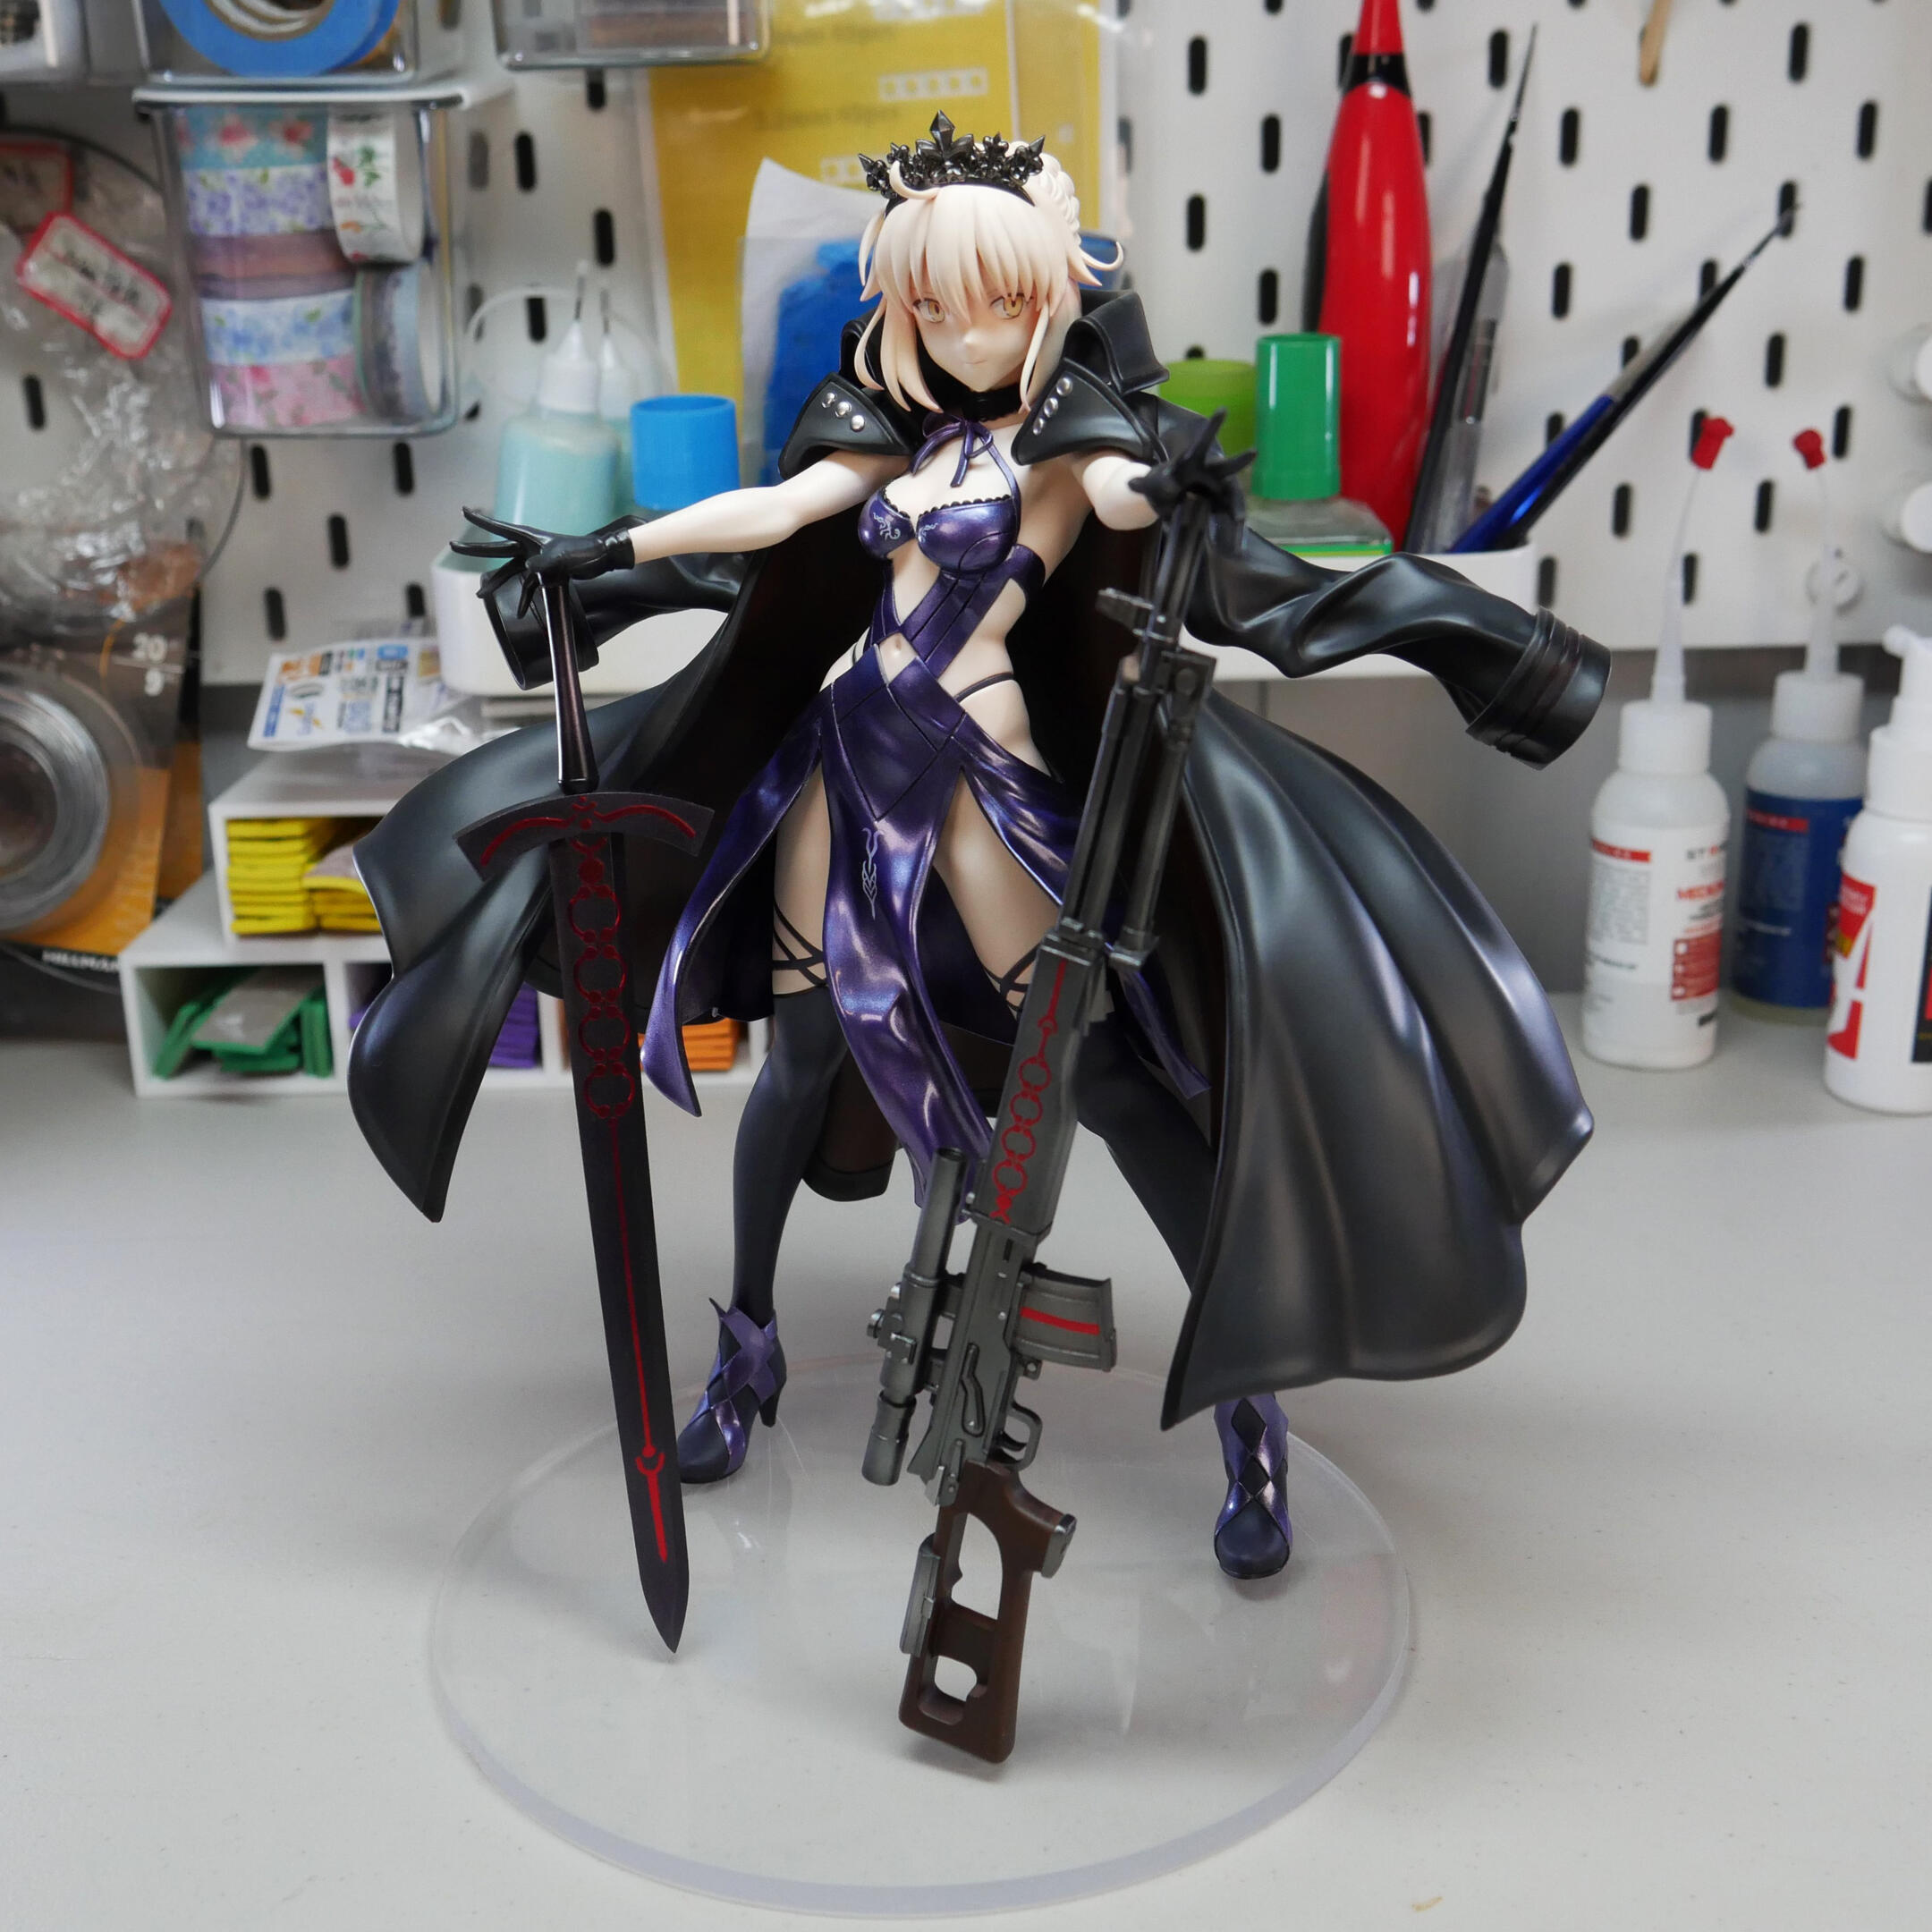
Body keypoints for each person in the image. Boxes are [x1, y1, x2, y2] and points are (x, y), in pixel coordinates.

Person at [351, 114, 1606, 1587]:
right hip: (846, 766)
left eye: (996, 301)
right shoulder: (884, 434)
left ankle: (1250, 1404)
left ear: (1051, 293)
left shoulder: (1073, 443)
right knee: (801, 1064)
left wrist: (1182, 494)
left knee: (1106, 1079)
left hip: (982, 778)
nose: (963, 332)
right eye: (933, 304)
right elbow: (775, 514)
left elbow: (1131, 501)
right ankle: (746, 1351)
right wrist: (606, 551)